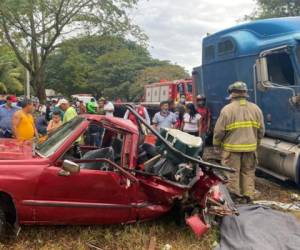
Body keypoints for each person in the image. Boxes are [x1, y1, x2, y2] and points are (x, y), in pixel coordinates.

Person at [213, 81, 265, 202]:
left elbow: (219, 131)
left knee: (232, 174)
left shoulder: (227, 109)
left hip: (232, 150)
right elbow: (261, 130)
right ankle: (248, 197)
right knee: (248, 173)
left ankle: (235, 199)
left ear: (232, 94)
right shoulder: (256, 108)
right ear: (245, 93)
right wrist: (256, 143)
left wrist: (216, 144)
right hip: (250, 149)